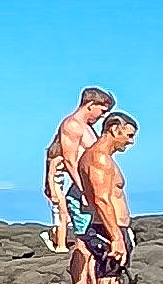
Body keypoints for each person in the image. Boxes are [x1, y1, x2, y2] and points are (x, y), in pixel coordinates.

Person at [66, 110, 137, 284]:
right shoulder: (99, 159)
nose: (130, 141)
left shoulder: (98, 157)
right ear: (114, 129)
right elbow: (101, 200)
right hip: (107, 228)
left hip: (110, 227)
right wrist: (116, 237)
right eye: (129, 135)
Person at [45, 87, 117, 251]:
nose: (102, 116)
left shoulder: (87, 127)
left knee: (100, 234)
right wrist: (84, 190)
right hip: (82, 189)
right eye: (102, 110)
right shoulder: (72, 125)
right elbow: (70, 161)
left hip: (94, 186)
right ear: (91, 105)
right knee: (87, 238)